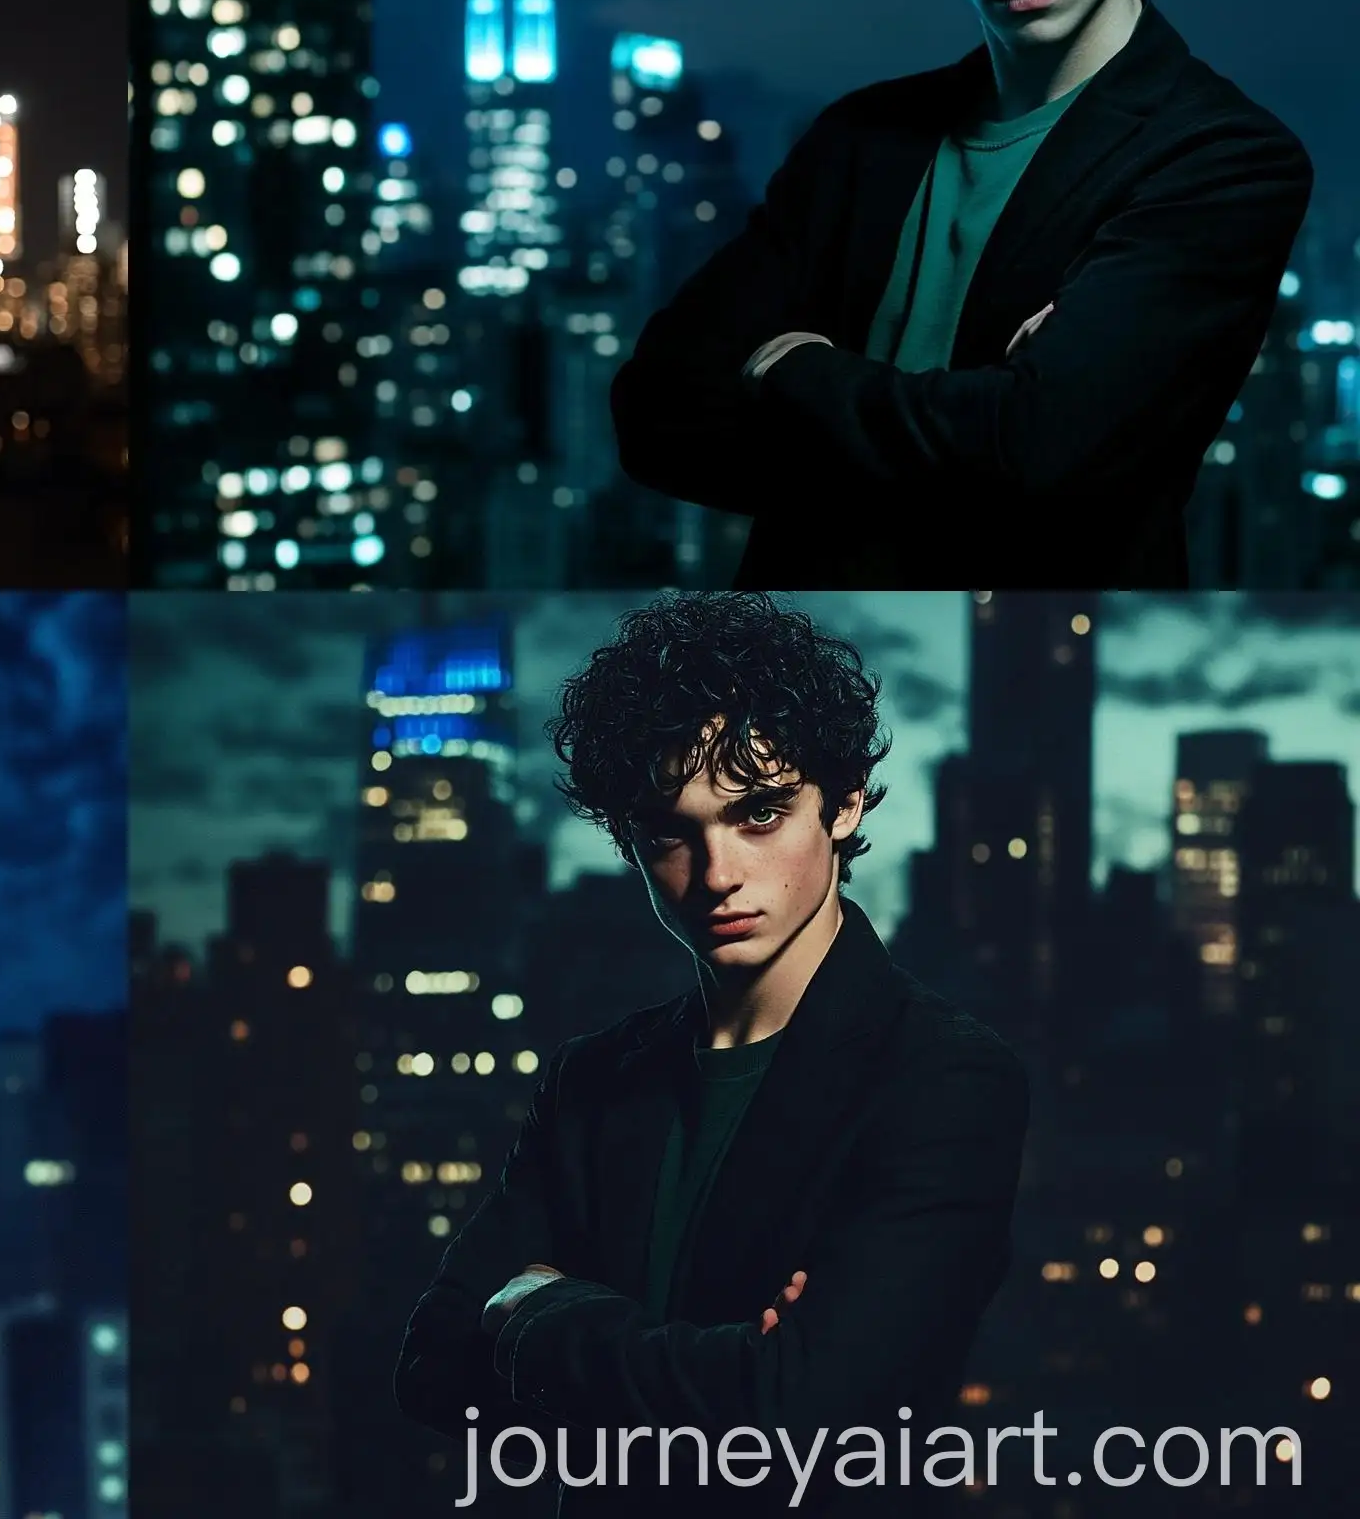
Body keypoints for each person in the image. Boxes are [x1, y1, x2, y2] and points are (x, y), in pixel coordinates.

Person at [610, 0, 1311, 588]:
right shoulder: (859, 141)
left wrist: (788, 374)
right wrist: (968, 426)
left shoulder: (1223, 161)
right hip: (803, 684)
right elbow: (654, 410)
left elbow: (1038, 456)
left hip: (1038, 688)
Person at [395, 594, 1028, 1514]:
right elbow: (433, 1369)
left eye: (760, 814)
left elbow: (799, 1421)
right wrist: (722, 1366)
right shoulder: (591, 1083)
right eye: (670, 833)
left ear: (843, 804)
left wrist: (542, 1312)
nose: (720, 871)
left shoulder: (944, 1081)